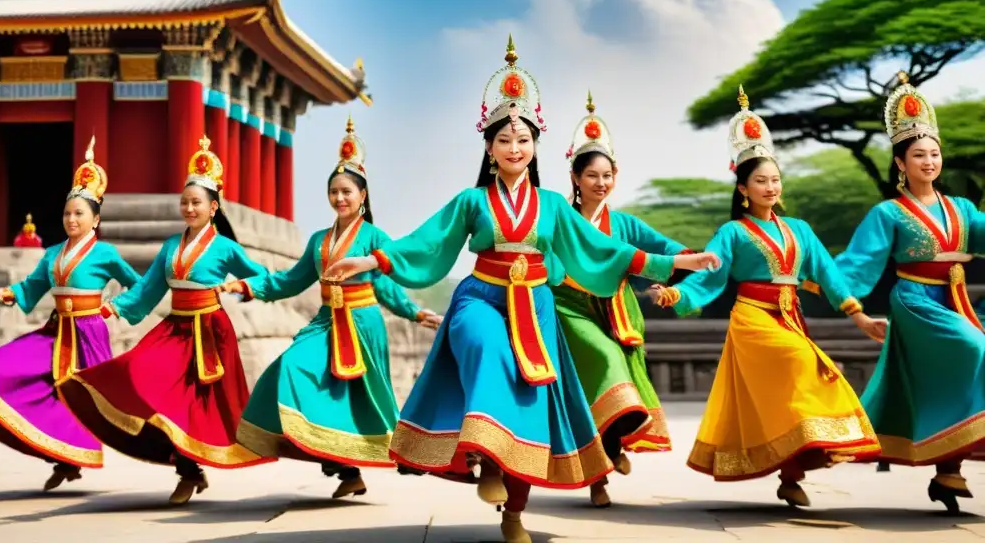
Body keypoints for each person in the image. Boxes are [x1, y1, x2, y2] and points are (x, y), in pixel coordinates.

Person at [324, 37, 720, 543]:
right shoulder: (472, 201)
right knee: (486, 350)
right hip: (481, 296)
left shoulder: (553, 205)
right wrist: (369, 258)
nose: (515, 148)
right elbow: (426, 243)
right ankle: (485, 459)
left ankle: (514, 511)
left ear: (535, 148)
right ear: (489, 148)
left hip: (535, 308)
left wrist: (675, 262)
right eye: (505, 140)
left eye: (524, 140)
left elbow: (605, 253)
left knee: (529, 399)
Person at [656, 86, 885, 507]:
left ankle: (793, 470)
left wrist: (859, 317)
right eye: (761, 181)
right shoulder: (733, 232)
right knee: (798, 362)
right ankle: (802, 454)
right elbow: (711, 273)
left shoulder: (799, 229)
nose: (770, 187)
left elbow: (829, 275)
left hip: (790, 316)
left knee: (811, 375)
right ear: (743, 188)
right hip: (753, 319)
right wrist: (675, 294)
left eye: (775, 180)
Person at [225, 117, 443, 499]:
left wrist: (416, 313)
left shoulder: (374, 237)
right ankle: (335, 460)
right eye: (334, 192)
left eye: (347, 192)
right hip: (326, 321)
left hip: (362, 323)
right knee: (290, 366)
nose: (340, 198)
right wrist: (247, 285)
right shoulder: (318, 241)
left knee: (359, 399)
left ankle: (357, 465)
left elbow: (387, 287)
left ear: (362, 196)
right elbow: (288, 281)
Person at [59, 135, 271, 505]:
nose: (189, 208)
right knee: (139, 372)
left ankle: (188, 472)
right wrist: (116, 307)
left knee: (195, 404)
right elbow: (150, 288)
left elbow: (261, 274)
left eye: (196, 203)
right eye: (184, 202)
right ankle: (184, 465)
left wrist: (242, 285)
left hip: (210, 332)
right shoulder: (171, 246)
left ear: (213, 207)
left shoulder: (225, 247)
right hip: (174, 329)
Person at [834, 72, 985, 513]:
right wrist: (824, 278)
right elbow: (859, 261)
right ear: (900, 162)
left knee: (947, 378)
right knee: (974, 349)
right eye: (919, 154)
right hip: (917, 302)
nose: (929, 161)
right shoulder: (889, 213)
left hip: (955, 299)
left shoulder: (961, 209)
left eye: (934, 154)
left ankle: (948, 470)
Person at [0, 137, 140, 490]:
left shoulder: (105, 254)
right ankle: (62, 457)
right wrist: (6, 293)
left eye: (79, 213)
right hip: (55, 332)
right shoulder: (53, 253)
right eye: (67, 213)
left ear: (96, 218)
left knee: (84, 401)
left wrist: (115, 307)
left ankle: (82, 455)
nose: (71, 219)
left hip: (89, 334)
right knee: (5, 376)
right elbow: (32, 287)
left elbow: (140, 285)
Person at [556, 92, 689, 508]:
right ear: (576, 178)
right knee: (604, 364)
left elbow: (673, 251)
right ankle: (604, 461)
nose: (600, 182)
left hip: (615, 313)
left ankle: (607, 461)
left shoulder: (625, 223)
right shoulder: (558, 214)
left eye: (607, 175)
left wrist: (674, 280)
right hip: (567, 310)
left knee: (616, 387)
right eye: (592, 175)